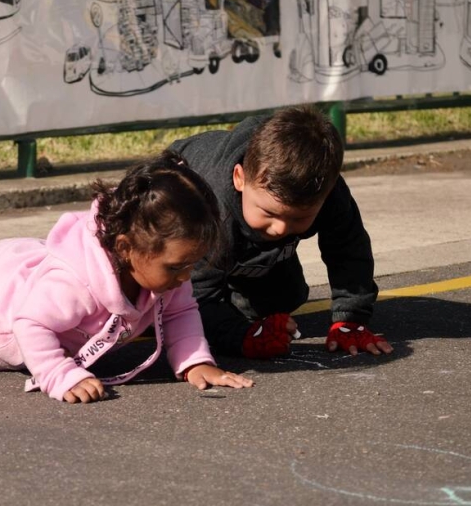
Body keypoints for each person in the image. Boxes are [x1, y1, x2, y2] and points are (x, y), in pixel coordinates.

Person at [0, 151, 254, 403]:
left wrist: (196, 362)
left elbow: (182, 314)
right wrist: (59, 374)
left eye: (190, 266)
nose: (184, 278)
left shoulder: (159, 276)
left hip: (6, 281)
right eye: (176, 267)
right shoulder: (74, 284)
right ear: (126, 248)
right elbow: (30, 322)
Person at [168, 105, 394, 359]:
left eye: (298, 218)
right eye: (269, 213)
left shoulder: (329, 193)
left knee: (287, 297)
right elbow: (196, 294)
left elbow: (349, 250)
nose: (280, 229)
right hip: (174, 196)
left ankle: (235, 294)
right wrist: (243, 336)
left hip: (235, 227)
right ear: (239, 178)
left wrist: (351, 320)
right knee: (170, 301)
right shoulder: (212, 210)